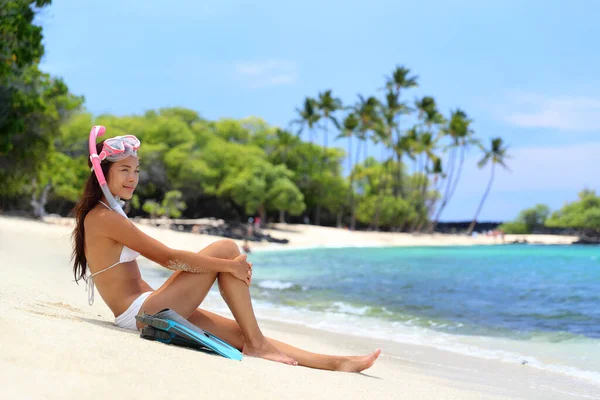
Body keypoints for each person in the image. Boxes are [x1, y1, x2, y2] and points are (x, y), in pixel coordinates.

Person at [71, 134, 380, 372]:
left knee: (239, 332)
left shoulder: (109, 212)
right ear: (102, 174)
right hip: (142, 314)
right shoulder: (103, 217)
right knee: (228, 248)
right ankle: (258, 344)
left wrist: (225, 268)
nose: (132, 178)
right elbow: (166, 258)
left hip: (151, 305)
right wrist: (227, 267)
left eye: (136, 170)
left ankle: (335, 362)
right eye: (124, 170)